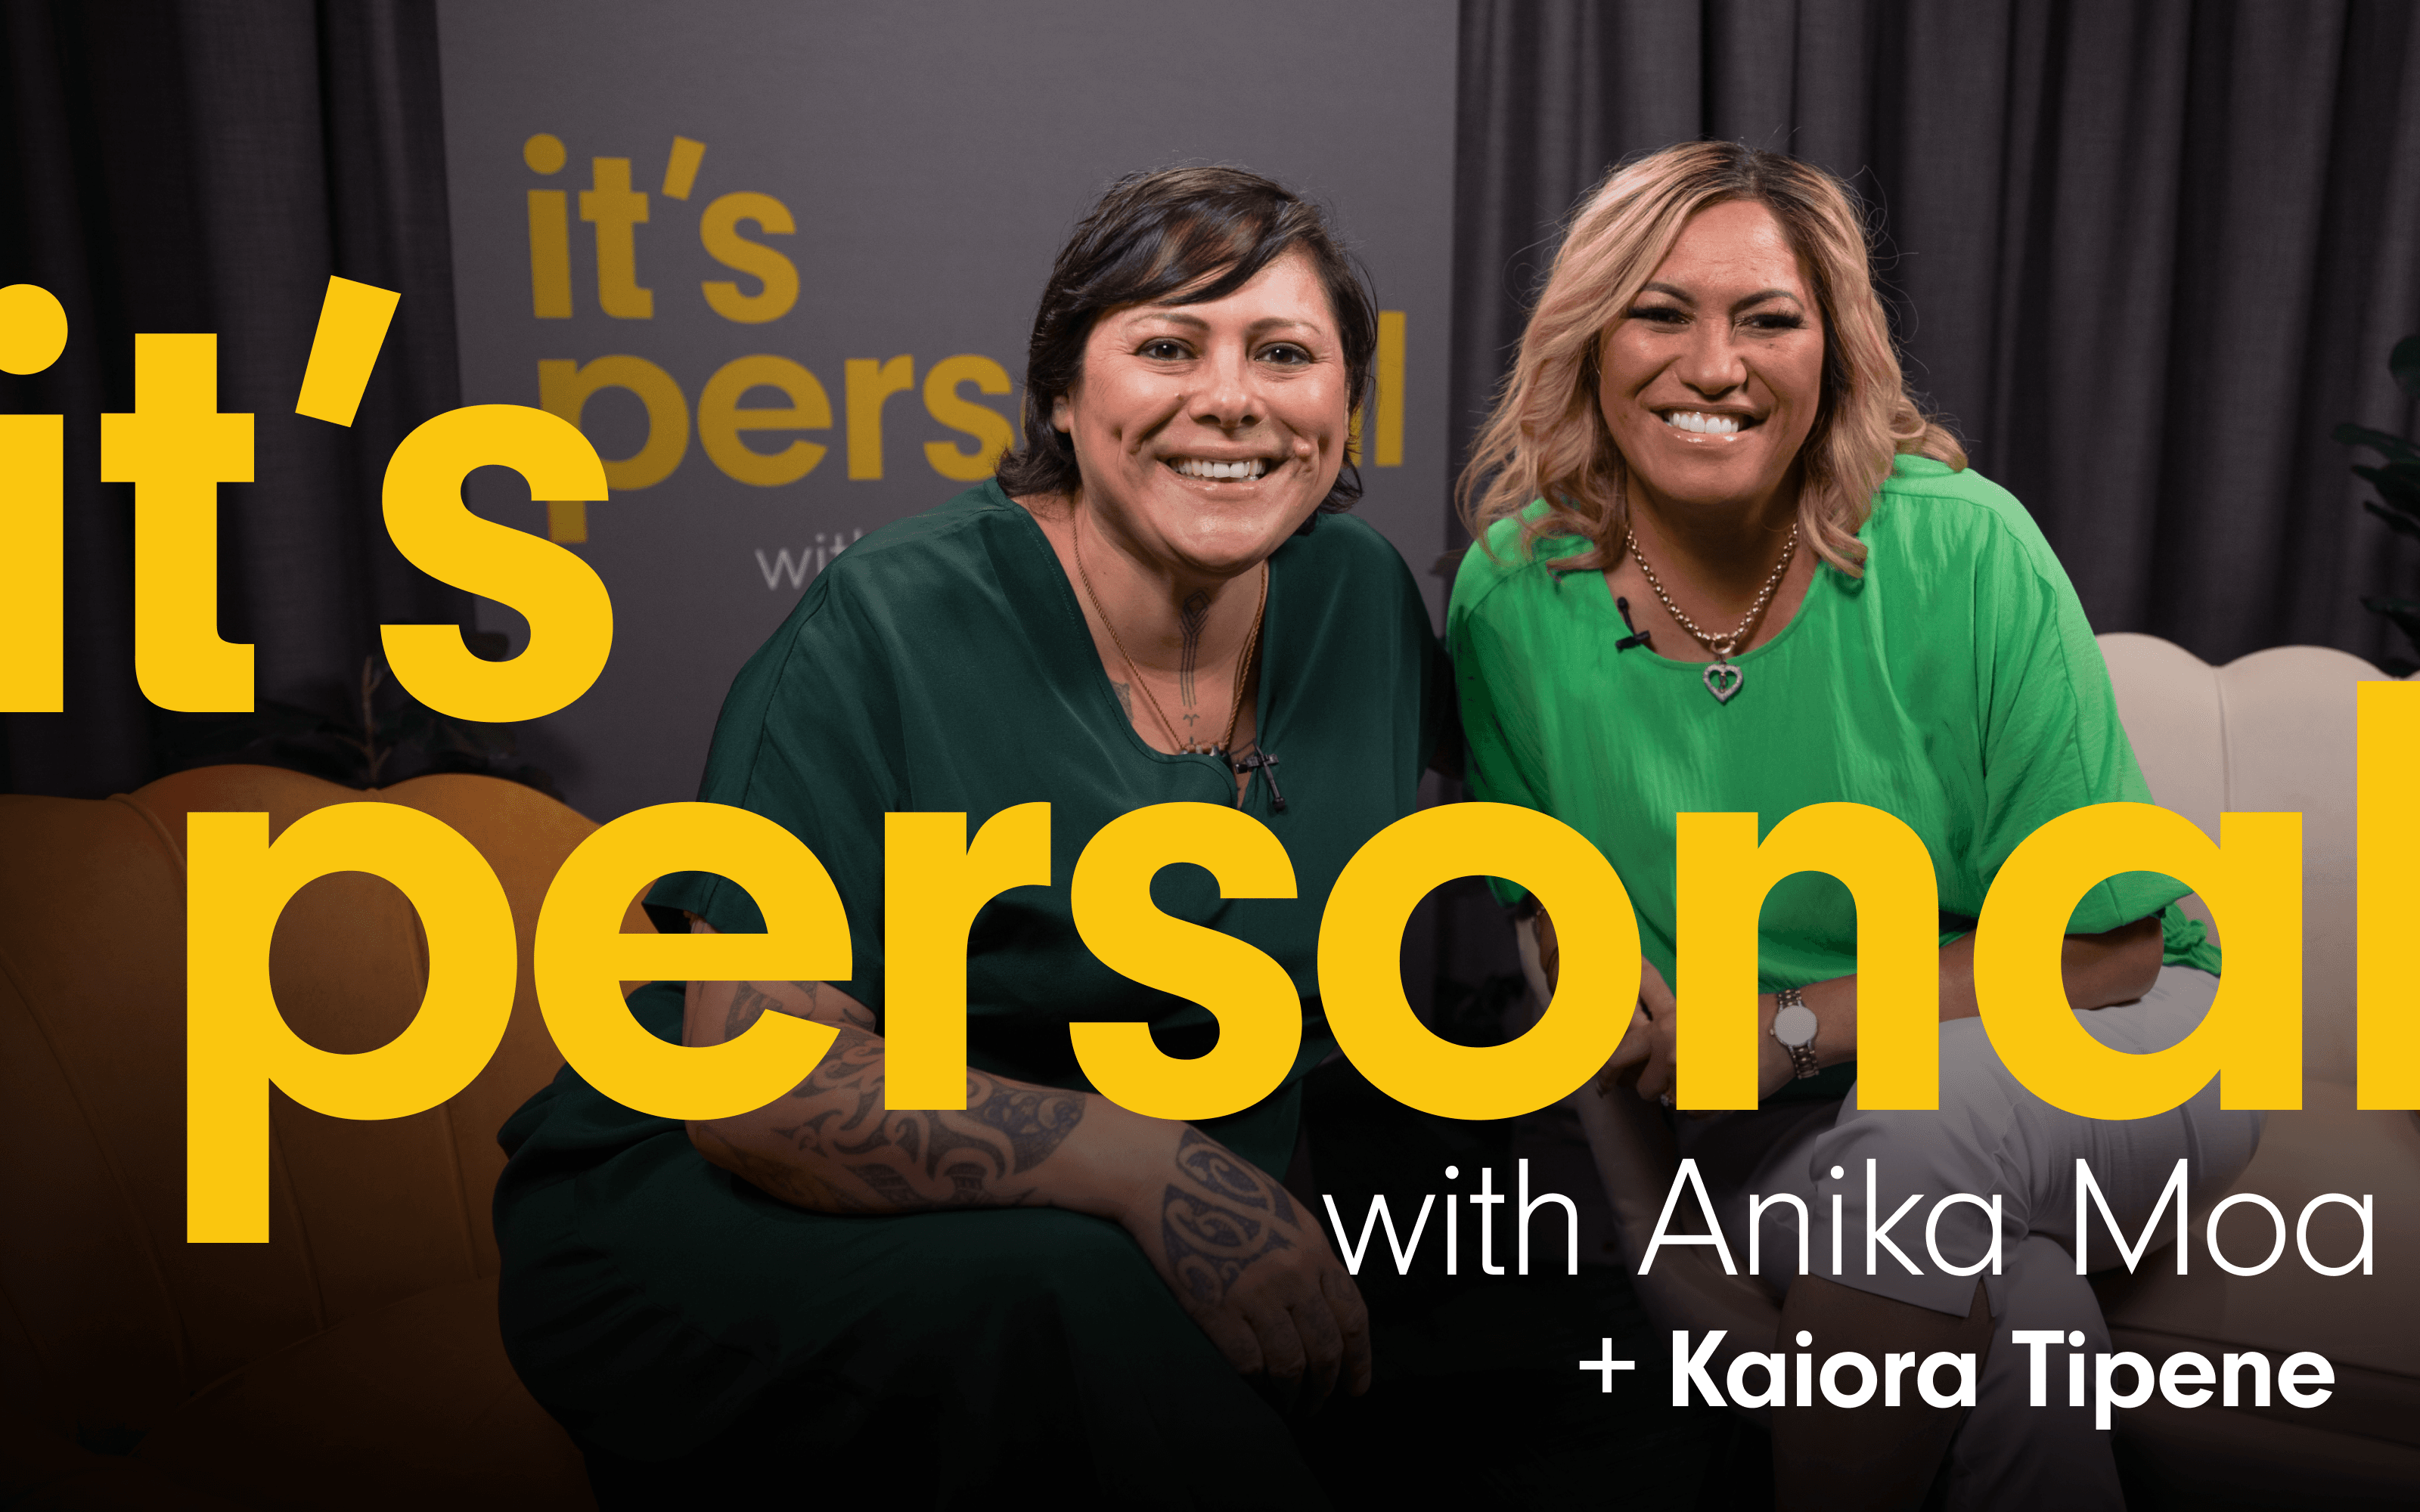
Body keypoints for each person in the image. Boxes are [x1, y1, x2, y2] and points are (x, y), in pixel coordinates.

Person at [494, 166, 1447, 1507]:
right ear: (1061, 397)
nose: (1232, 397)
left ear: (1346, 412)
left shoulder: (1359, 601)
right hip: (725, 1209)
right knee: (1069, 1300)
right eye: (1167, 345)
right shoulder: (890, 619)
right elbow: (761, 1087)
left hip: (1124, 1236)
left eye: (1285, 354)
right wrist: (1145, 1162)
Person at [1447, 140, 2256, 1510]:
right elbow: (1552, 915)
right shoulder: (1509, 598)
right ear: (1588, 339)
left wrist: (1792, 1023)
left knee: (1913, 1140)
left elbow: (2111, 951)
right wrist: (1655, 1186)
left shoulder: (1963, 546)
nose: (1716, 365)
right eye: (1661, 312)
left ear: (1836, 351)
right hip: (1805, 1122)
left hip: (2123, 1039)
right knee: (2026, 1336)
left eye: (1769, 317)